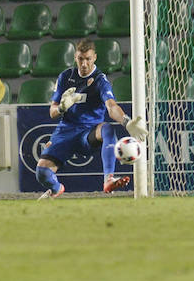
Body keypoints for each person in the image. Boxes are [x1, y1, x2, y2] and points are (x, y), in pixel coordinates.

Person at [36, 39, 148, 199]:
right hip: (65, 132)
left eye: (88, 59)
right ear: (75, 57)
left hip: (88, 134)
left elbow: (111, 107)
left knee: (108, 129)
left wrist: (126, 121)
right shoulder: (65, 77)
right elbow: (52, 112)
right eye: (81, 59)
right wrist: (61, 108)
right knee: (42, 173)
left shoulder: (100, 80)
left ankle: (108, 179)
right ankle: (56, 189)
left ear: (94, 57)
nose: (84, 64)